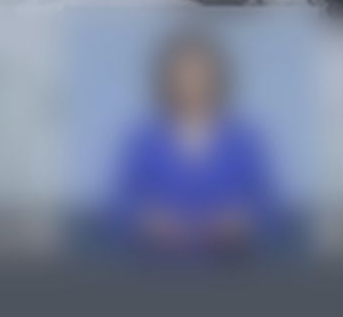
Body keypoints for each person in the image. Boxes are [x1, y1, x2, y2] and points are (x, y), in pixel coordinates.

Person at [105, 30, 281, 260]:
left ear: (215, 77)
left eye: (199, 74)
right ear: (168, 79)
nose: (192, 83)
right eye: (184, 74)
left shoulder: (244, 140)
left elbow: (266, 202)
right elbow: (120, 203)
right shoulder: (143, 139)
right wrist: (144, 219)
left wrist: (245, 219)